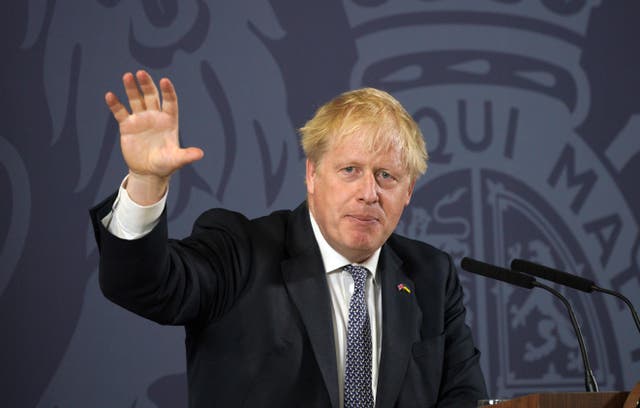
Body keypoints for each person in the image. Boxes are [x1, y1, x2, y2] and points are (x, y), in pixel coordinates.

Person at [90, 70, 487, 407]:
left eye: (387, 176)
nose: (369, 192)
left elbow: (463, 396)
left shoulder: (430, 275)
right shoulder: (241, 249)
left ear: (409, 190)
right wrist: (146, 181)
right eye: (350, 170)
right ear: (312, 175)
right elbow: (143, 286)